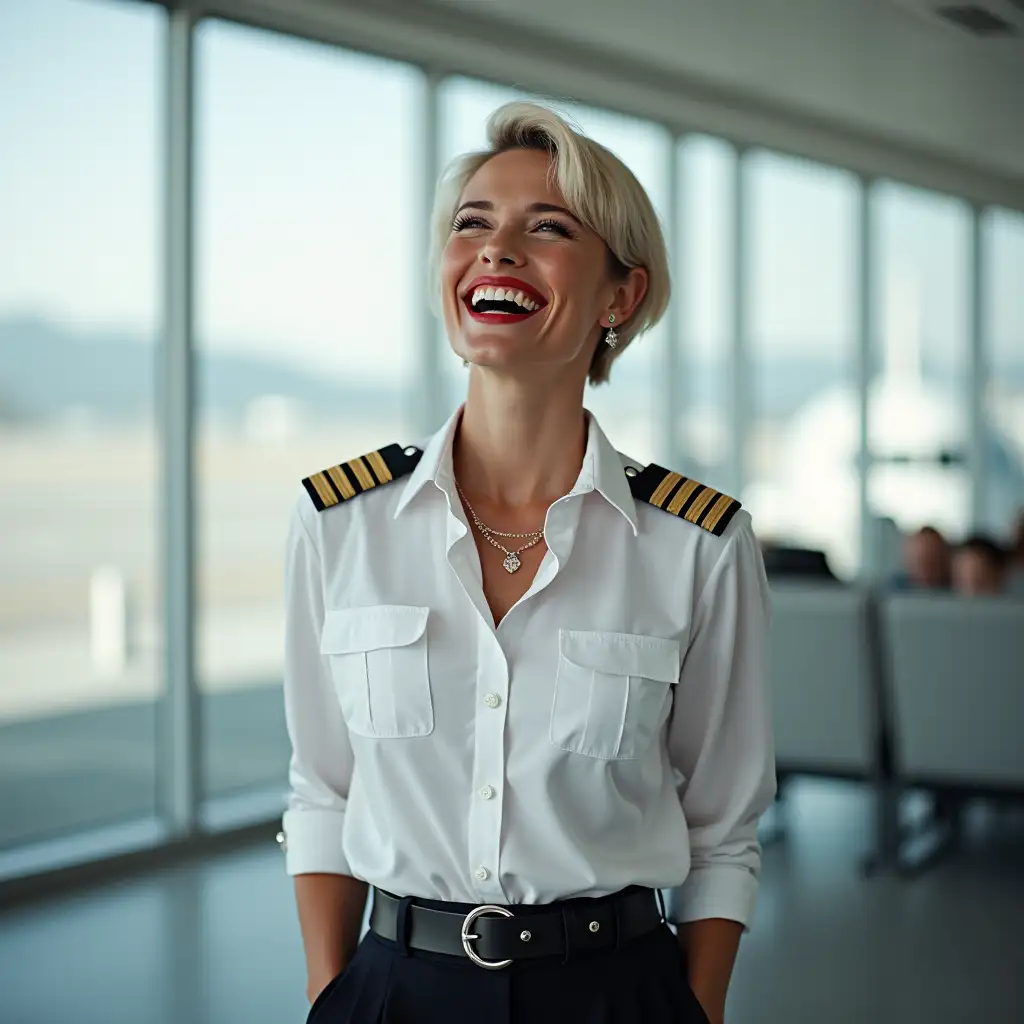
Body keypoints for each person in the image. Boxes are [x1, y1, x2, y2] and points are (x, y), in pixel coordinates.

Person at [278, 101, 775, 1024]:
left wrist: (692, 1012)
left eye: (547, 228)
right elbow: (323, 789)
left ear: (620, 297)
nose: (497, 249)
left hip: (616, 990)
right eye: (473, 224)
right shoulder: (340, 525)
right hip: (395, 990)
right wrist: (331, 995)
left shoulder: (697, 544)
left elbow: (722, 828)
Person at [893, 525, 951, 591]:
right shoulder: (895, 589)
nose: (924, 568)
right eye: (917, 561)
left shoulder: (957, 588)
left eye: (931, 560)